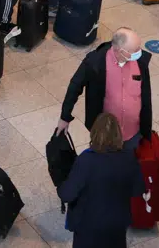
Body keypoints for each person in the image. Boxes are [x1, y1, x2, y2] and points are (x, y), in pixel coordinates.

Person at [58, 113, 146, 248]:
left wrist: (60, 184)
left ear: (94, 134)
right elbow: (138, 190)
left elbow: (67, 194)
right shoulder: (129, 158)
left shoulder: (86, 161)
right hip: (117, 227)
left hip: (88, 229)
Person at [57, 27, 152, 148]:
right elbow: (75, 86)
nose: (139, 52)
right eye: (134, 50)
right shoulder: (95, 62)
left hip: (133, 134)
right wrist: (65, 117)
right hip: (105, 136)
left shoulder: (140, 62)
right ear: (120, 51)